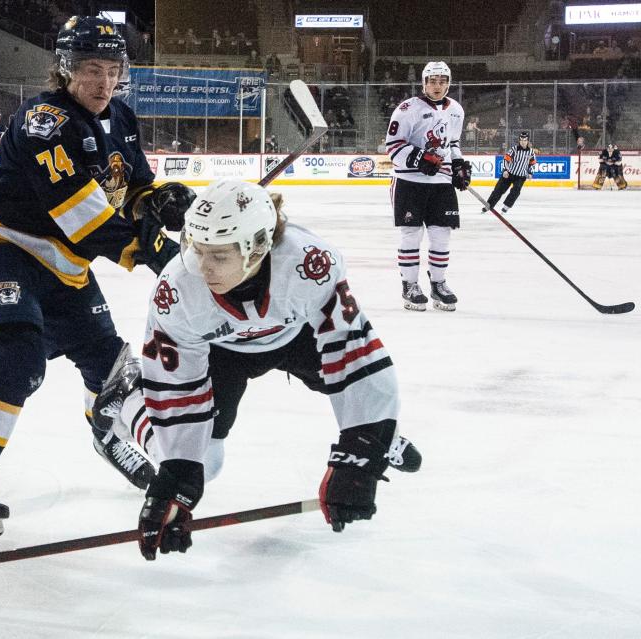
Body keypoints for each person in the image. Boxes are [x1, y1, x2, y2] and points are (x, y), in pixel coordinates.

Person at [0, 15, 195, 539]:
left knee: (112, 369)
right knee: (20, 362)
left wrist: (159, 198)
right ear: (66, 69)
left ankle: (107, 433)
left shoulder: (120, 116)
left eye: (112, 69)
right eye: (90, 69)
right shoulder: (43, 122)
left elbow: (133, 183)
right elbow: (79, 215)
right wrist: (151, 248)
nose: (102, 82)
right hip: (3, 249)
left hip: (64, 266)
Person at [90, 180, 420, 560]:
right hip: (223, 349)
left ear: (259, 247)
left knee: (340, 381)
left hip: (294, 333)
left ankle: (381, 430)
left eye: (218, 256)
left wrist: (362, 449)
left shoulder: (308, 263)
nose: (202, 268)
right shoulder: (178, 290)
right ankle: (130, 400)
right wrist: (177, 475)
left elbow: (354, 356)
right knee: (206, 465)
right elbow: (177, 389)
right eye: (196, 249)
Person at [384, 60, 470, 312]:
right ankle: (410, 285)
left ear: (449, 83)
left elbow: (453, 143)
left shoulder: (456, 110)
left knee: (442, 234)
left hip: (441, 182)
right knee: (412, 233)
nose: (437, 86)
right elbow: (393, 146)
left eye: (442, 81)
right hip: (409, 181)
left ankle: (438, 283)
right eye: (432, 81)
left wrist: (458, 165)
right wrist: (420, 158)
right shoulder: (407, 108)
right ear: (424, 83)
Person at [486, 131, 537, 214]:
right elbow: (506, 159)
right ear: (519, 140)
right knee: (498, 190)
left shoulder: (531, 152)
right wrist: (505, 170)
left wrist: (530, 173)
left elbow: (533, 164)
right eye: (521, 140)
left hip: (521, 176)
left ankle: (506, 207)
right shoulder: (514, 149)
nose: (523, 142)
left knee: (516, 191)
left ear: (528, 141)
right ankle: (489, 205)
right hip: (509, 174)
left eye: (525, 140)